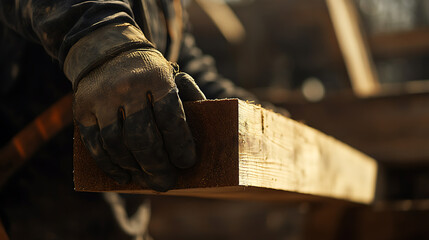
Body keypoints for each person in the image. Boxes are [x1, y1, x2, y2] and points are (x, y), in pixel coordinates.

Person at [0, 0, 283, 238]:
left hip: (116, 219)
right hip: (28, 213)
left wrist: (260, 120)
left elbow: (183, 62)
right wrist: (104, 43)